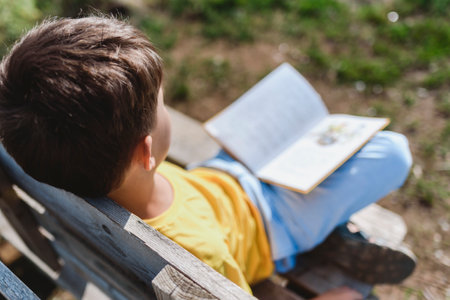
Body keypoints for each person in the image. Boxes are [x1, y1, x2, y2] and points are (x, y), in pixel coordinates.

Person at [0, 16, 415, 299]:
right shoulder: (199, 255)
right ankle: (325, 240)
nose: (166, 108)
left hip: (219, 179)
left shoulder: (68, 169)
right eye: (162, 105)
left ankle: (331, 231)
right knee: (393, 152)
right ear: (145, 152)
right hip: (273, 221)